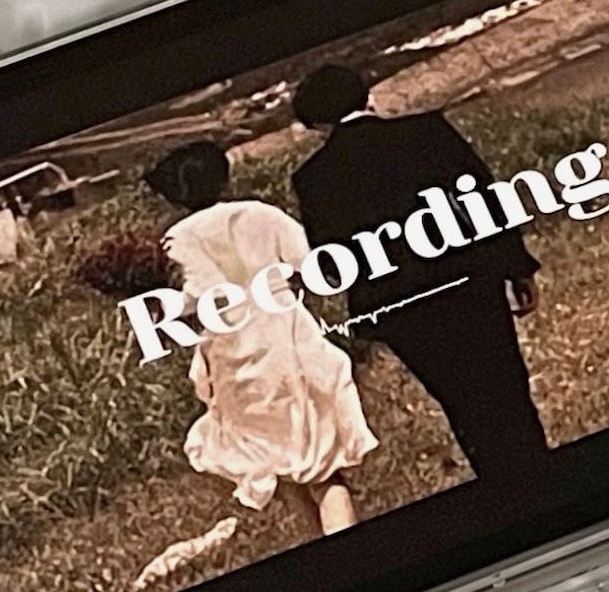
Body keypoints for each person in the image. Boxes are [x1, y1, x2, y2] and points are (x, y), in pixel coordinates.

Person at [287, 62, 551, 491]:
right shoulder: (426, 131)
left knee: (460, 401)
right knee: (507, 386)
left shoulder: (314, 178)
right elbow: (487, 202)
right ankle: (539, 473)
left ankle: (504, 486)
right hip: (468, 282)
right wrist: (516, 267)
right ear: (364, 93)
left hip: (402, 307)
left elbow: (334, 258)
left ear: (317, 122)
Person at [142, 141, 374, 536]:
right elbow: (310, 265)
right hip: (292, 343)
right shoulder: (262, 214)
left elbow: (193, 300)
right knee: (324, 469)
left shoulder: (176, 240)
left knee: (282, 467)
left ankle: (327, 549)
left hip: (236, 360)